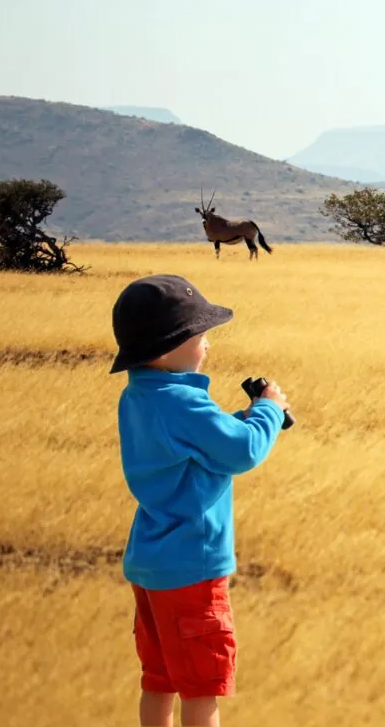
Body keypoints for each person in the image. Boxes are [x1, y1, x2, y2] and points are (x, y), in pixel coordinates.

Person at [111, 274, 290, 727]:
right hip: (193, 569)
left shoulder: (139, 395)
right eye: (199, 337)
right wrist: (268, 410)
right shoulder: (184, 403)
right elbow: (243, 451)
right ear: (167, 348)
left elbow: (193, 443)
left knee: (159, 679)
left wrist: (240, 418)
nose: (206, 345)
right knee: (202, 687)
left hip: (151, 566)